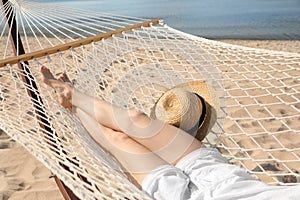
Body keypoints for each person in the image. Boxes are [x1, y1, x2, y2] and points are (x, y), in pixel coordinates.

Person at [40, 66, 299, 200]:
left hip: (183, 197)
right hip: (229, 179)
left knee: (117, 139)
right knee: (136, 118)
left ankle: (73, 106)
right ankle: (71, 95)